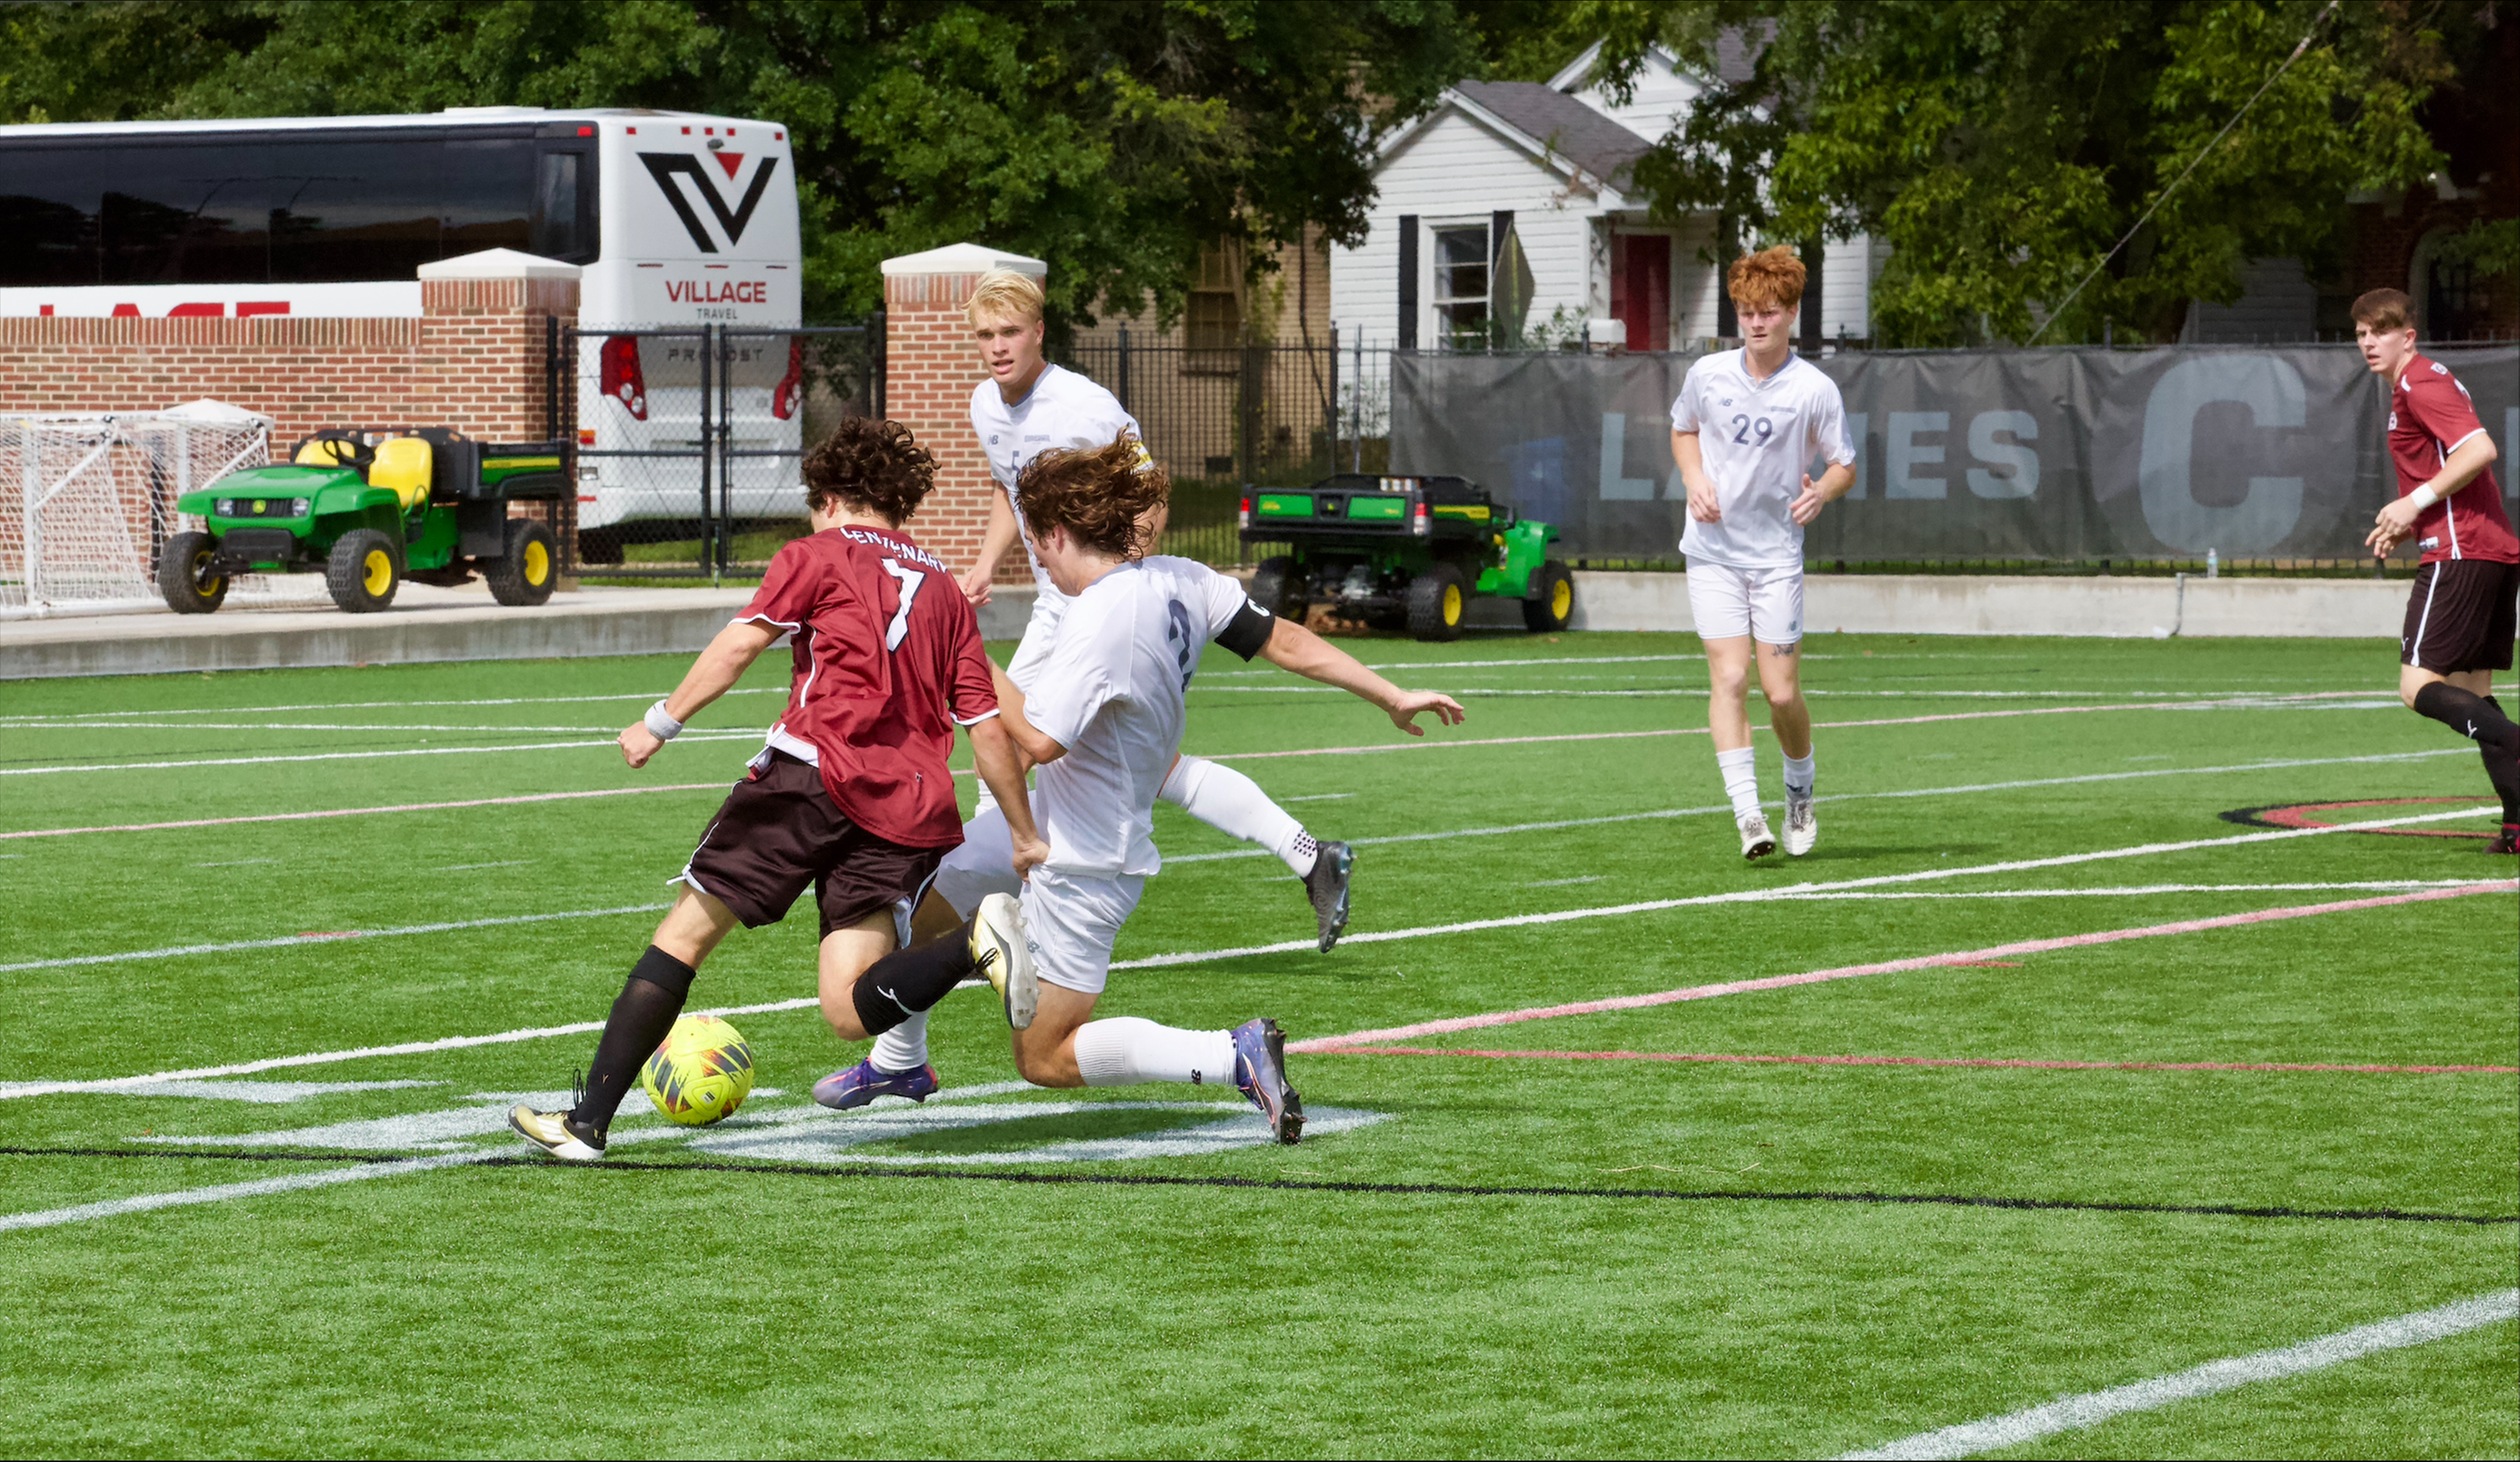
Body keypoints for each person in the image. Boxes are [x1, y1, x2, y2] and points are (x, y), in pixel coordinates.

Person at [835, 434, 1465, 1141]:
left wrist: (963, 650)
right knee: (921, 903)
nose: (1036, 560)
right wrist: (1387, 693)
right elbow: (1284, 640)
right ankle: (899, 1060)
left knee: (1045, 1057)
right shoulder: (1184, 579)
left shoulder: (1107, 615)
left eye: (1037, 546)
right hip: (1065, 814)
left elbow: (1037, 741)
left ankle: (1230, 1055)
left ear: (1060, 532)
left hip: (1084, 858)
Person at [508, 417, 1046, 1161]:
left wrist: (658, 723)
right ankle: (971, 945)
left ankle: (587, 1123)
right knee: (849, 1008)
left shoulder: (816, 554)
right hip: (910, 807)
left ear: (830, 497)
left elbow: (738, 646)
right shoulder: (947, 593)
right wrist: (1022, 831)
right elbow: (987, 730)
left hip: (810, 777)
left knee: (685, 937)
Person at [957, 268, 1351, 942]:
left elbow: (1152, 489)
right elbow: (1008, 489)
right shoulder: (984, 406)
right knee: (1093, 756)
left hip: (1097, 605)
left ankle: (990, 906)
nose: (998, 347)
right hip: (1060, 605)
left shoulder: (1083, 405)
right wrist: (988, 562)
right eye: (987, 335)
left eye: (1011, 332)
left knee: (1009, 737)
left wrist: (1120, 587)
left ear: (1039, 331)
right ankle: (1310, 856)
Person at [1669, 246, 1858, 860]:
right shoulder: (1708, 374)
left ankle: (1800, 789)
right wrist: (1695, 480)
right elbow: (1683, 429)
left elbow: (1843, 464)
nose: (1756, 322)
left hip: (1775, 557)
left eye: (1769, 311)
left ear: (1792, 313)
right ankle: (1749, 816)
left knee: (1779, 693)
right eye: (1747, 311)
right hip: (1713, 552)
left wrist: (1821, 493)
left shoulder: (1814, 389)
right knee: (1728, 677)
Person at [2354, 287, 2520, 855]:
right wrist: (2412, 516)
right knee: (2473, 690)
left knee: (2417, 686)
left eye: (2381, 330)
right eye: (2361, 333)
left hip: (2459, 551)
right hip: (2488, 548)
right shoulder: (2423, 381)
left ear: (2409, 335)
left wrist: (2411, 503)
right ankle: (2518, 825)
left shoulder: (2418, 381)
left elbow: (2479, 450)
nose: (2370, 341)